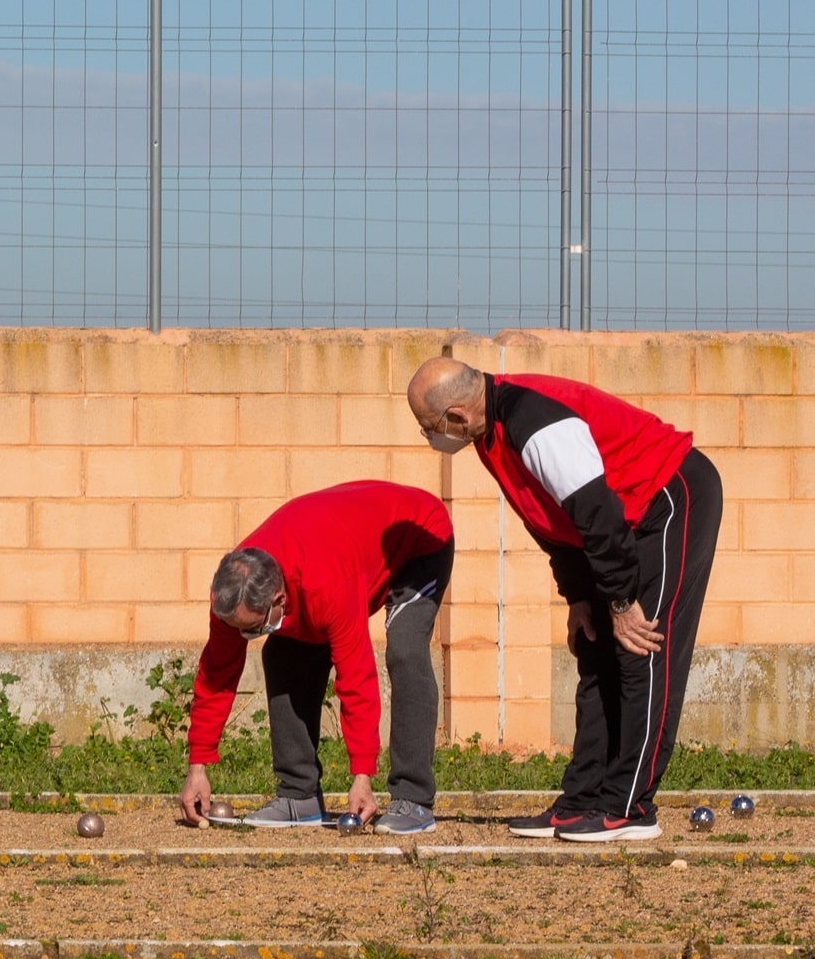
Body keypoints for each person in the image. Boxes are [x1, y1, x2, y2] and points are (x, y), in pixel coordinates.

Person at [405, 357, 723, 842]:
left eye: (430, 427)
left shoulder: (534, 423)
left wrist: (620, 602)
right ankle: (584, 800)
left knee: (642, 647)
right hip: (615, 523)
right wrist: (580, 597)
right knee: (595, 651)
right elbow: (552, 519)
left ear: (456, 415)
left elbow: (595, 511)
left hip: (667, 495)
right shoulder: (490, 436)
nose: (431, 438)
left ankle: (630, 808)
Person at [176, 481, 455, 834]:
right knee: (281, 653)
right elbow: (216, 674)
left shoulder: (326, 586)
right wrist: (197, 766)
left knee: (405, 650)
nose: (245, 636)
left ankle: (414, 800)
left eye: (252, 629)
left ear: (279, 600)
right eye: (240, 629)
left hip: (419, 538)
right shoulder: (233, 594)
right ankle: (298, 795)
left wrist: (361, 776)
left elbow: (356, 677)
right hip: (340, 543)